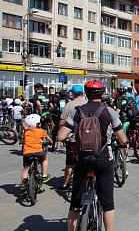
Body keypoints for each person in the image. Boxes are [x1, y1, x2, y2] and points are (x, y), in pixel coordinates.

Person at [57, 80, 128, 231]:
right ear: (102, 94)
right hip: (103, 159)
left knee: (75, 204)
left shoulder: (77, 111)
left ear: (86, 93)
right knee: (108, 204)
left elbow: (61, 136)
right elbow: (122, 138)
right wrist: (124, 142)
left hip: (82, 159)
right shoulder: (109, 111)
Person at [58, 85, 87, 191]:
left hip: (72, 138)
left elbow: (62, 121)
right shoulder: (88, 103)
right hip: (87, 138)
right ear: (83, 93)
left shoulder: (69, 105)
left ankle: (65, 184)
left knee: (70, 162)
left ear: (73, 94)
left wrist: (61, 132)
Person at [20, 114, 53, 195]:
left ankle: (23, 186)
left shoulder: (26, 132)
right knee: (44, 158)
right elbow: (49, 140)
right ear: (37, 124)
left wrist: (22, 142)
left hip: (27, 153)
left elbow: (22, 141)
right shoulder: (40, 131)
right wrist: (50, 142)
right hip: (38, 152)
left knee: (25, 169)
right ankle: (44, 175)